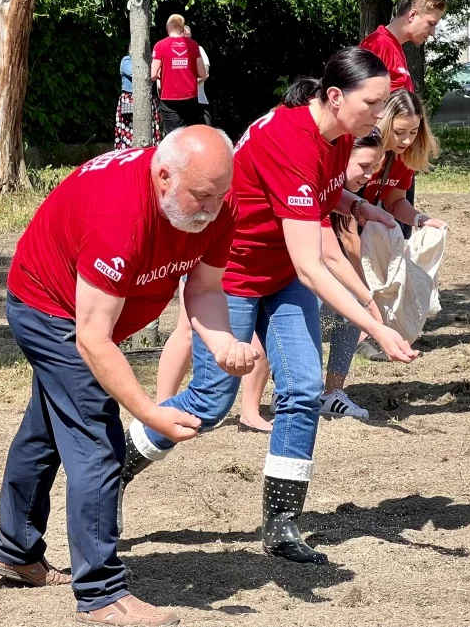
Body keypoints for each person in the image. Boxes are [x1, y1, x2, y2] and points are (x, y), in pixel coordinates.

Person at [120, 48, 420, 564]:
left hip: (280, 278)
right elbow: (312, 264)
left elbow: (322, 199)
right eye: (373, 103)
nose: (380, 115)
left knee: (302, 389)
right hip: (231, 277)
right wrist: (375, 323)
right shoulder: (289, 141)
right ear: (334, 96)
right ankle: (112, 467)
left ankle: (281, 526)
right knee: (210, 404)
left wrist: (361, 205)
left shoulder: (338, 134)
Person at [0, 126, 259, 627]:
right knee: (98, 440)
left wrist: (221, 344)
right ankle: (103, 594)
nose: (213, 208)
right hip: (49, 309)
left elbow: (204, 288)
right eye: (201, 196)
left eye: (221, 195)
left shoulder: (219, 200)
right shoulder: (119, 213)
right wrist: (151, 411)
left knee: (46, 429)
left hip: (89, 315)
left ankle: (15, 548)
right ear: (161, 176)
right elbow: (92, 337)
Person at [235, 130, 387, 431]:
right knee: (262, 333)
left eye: (375, 167)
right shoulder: (308, 180)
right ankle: (252, 408)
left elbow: (348, 249)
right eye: (365, 166)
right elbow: (330, 257)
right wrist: (369, 302)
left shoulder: (335, 190)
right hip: (258, 266)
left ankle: (328, 393)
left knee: (347, 307)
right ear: (343, 158)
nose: (370, 175)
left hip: (291, 269)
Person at [359, 0, 447, 239]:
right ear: (412, 14)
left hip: (394, 159)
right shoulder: (378, 45)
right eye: (431, 23)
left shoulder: (395, 48)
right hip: (377, 160)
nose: (432, 32)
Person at [152, 14, 207, 135]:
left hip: (169, 98)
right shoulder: (193, 45)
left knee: (172, 137)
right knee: (191, 134)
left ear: (167, 27)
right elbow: (203, 73)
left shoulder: (160, 46)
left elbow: (153, 74)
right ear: (182, 29)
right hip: (190, 97)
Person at [115, 54, 161, 150]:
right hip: (130, 99)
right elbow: (139, 75)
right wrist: (155, 71)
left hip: (148, 99)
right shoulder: (127, 60)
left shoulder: (151, 61)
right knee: (128, 130)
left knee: (150, 130)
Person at [183, 25, 211, 126]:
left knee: (207, 133)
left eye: (189, 37)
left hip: (200, 100)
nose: (188, 40)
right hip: (181, 103)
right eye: (185, 37)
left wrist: (189, 84)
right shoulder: (173, 51)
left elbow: (205, 73)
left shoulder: (198, 49)